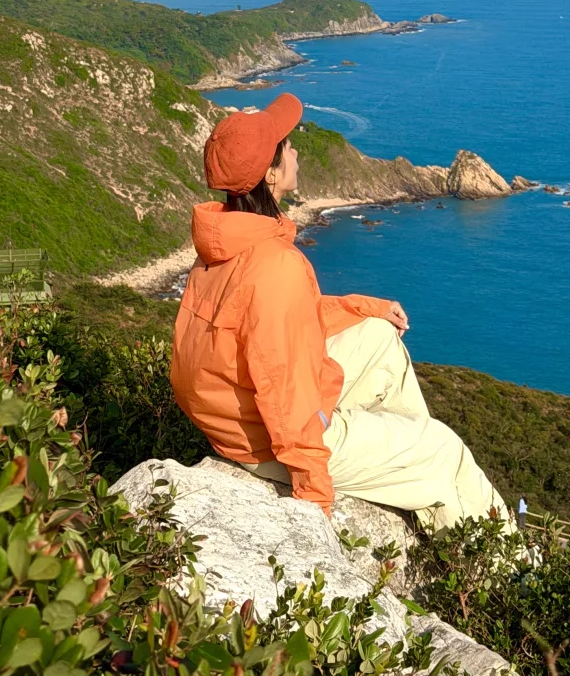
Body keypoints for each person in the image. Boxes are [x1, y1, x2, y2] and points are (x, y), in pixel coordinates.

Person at [169, 93, 510, 529]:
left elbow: (273, 322)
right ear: (270, 174)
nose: (295, 150)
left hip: (237, 421)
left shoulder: (225, 243)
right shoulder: (275, 267)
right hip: (267, 442)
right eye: (286, 145)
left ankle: (406, 475)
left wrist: (366, 309)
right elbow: (285, 396)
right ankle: (506, 570)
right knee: (446, 449)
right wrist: (313, 497)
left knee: (379, 337)